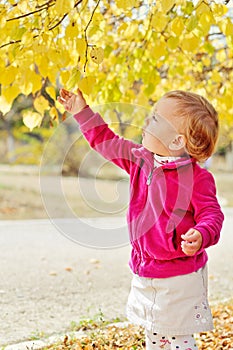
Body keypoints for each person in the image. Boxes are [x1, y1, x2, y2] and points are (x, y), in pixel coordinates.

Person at [58, 88, 224, 350]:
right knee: (155, 335)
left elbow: (211, 214)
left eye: (156, 118)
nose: (147, 120)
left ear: (177, 141)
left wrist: (202, 233)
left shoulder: (197, 178)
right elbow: (105, 140)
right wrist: (81, 111)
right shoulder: (139, 159)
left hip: (179, 276)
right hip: (146, 269)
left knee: (177, 337)